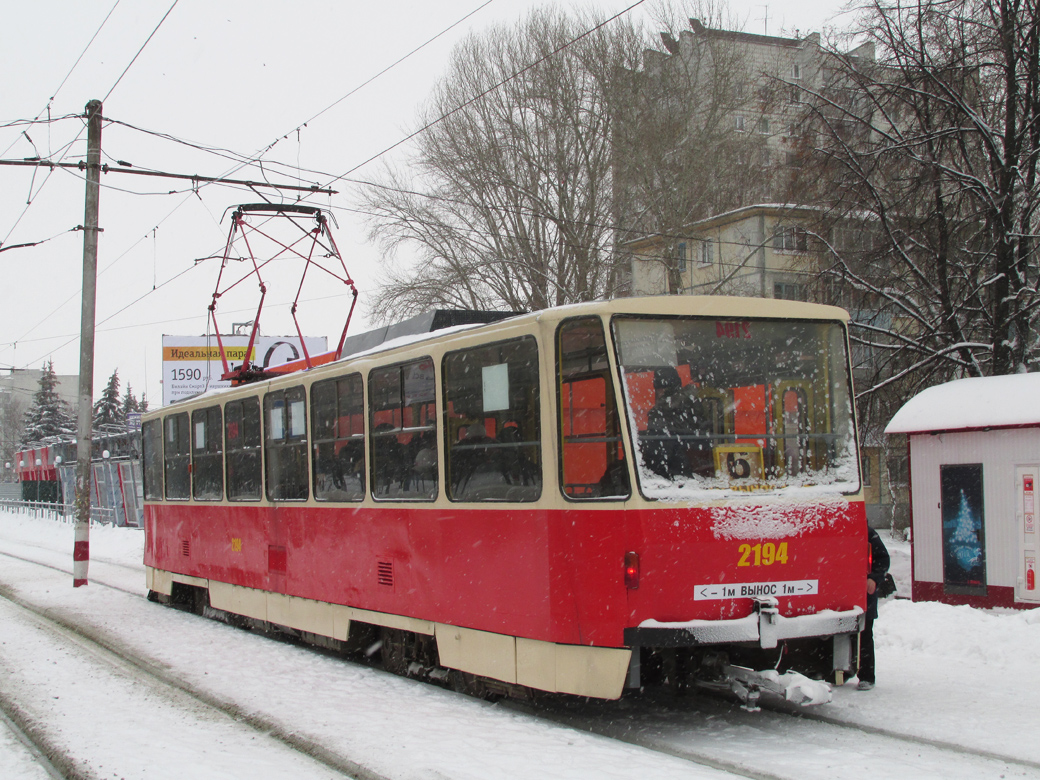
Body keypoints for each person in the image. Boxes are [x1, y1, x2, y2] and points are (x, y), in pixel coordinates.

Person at [858, 525, 891, 690]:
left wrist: (875, 578)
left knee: (864, 634)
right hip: (839, 593)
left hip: (864, 595)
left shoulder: (868, 533)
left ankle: (866, 677)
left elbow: (883, 558)